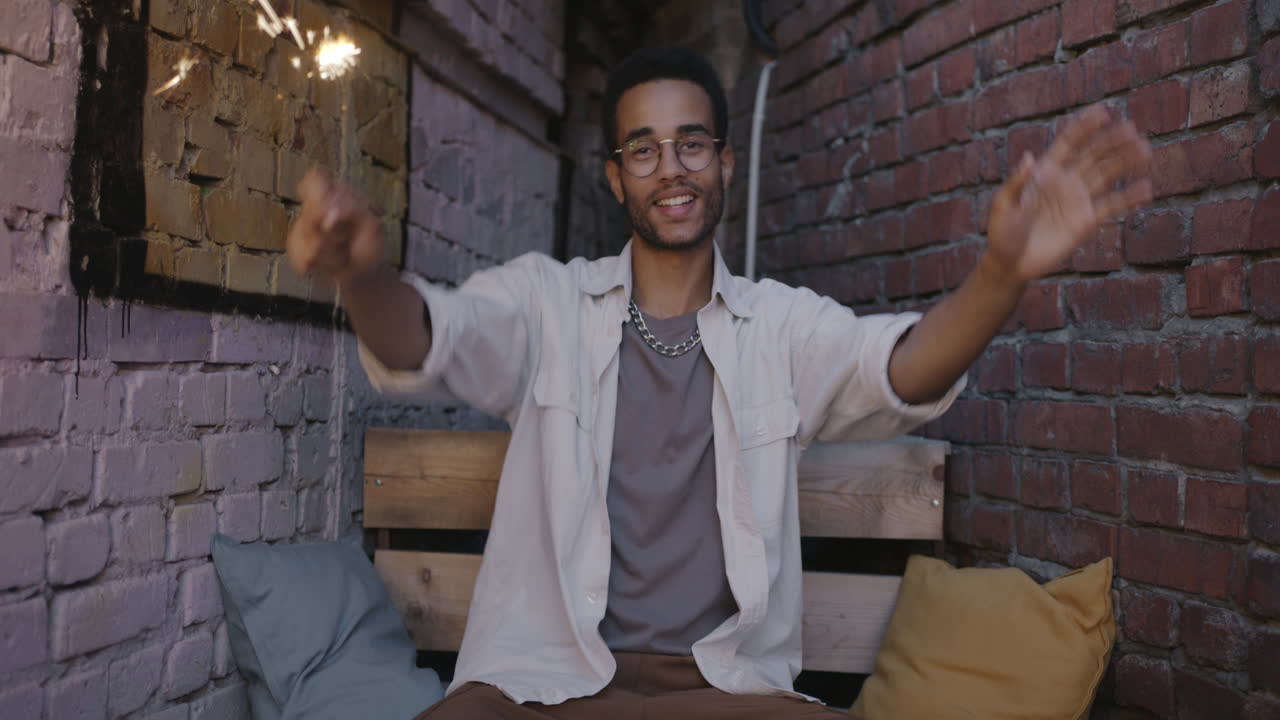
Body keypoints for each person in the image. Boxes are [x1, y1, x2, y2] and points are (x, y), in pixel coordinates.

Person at [286, 45, 1152, 720]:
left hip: (721, 691)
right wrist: (364, 277)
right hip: (542, 686)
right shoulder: (546, 304)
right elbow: (432, 337)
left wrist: (1001, 273)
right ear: (616, 176)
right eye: (644, 149)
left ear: (725, 163)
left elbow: (895, 368)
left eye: (691, 143)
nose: (671, 168)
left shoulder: (780, 326)